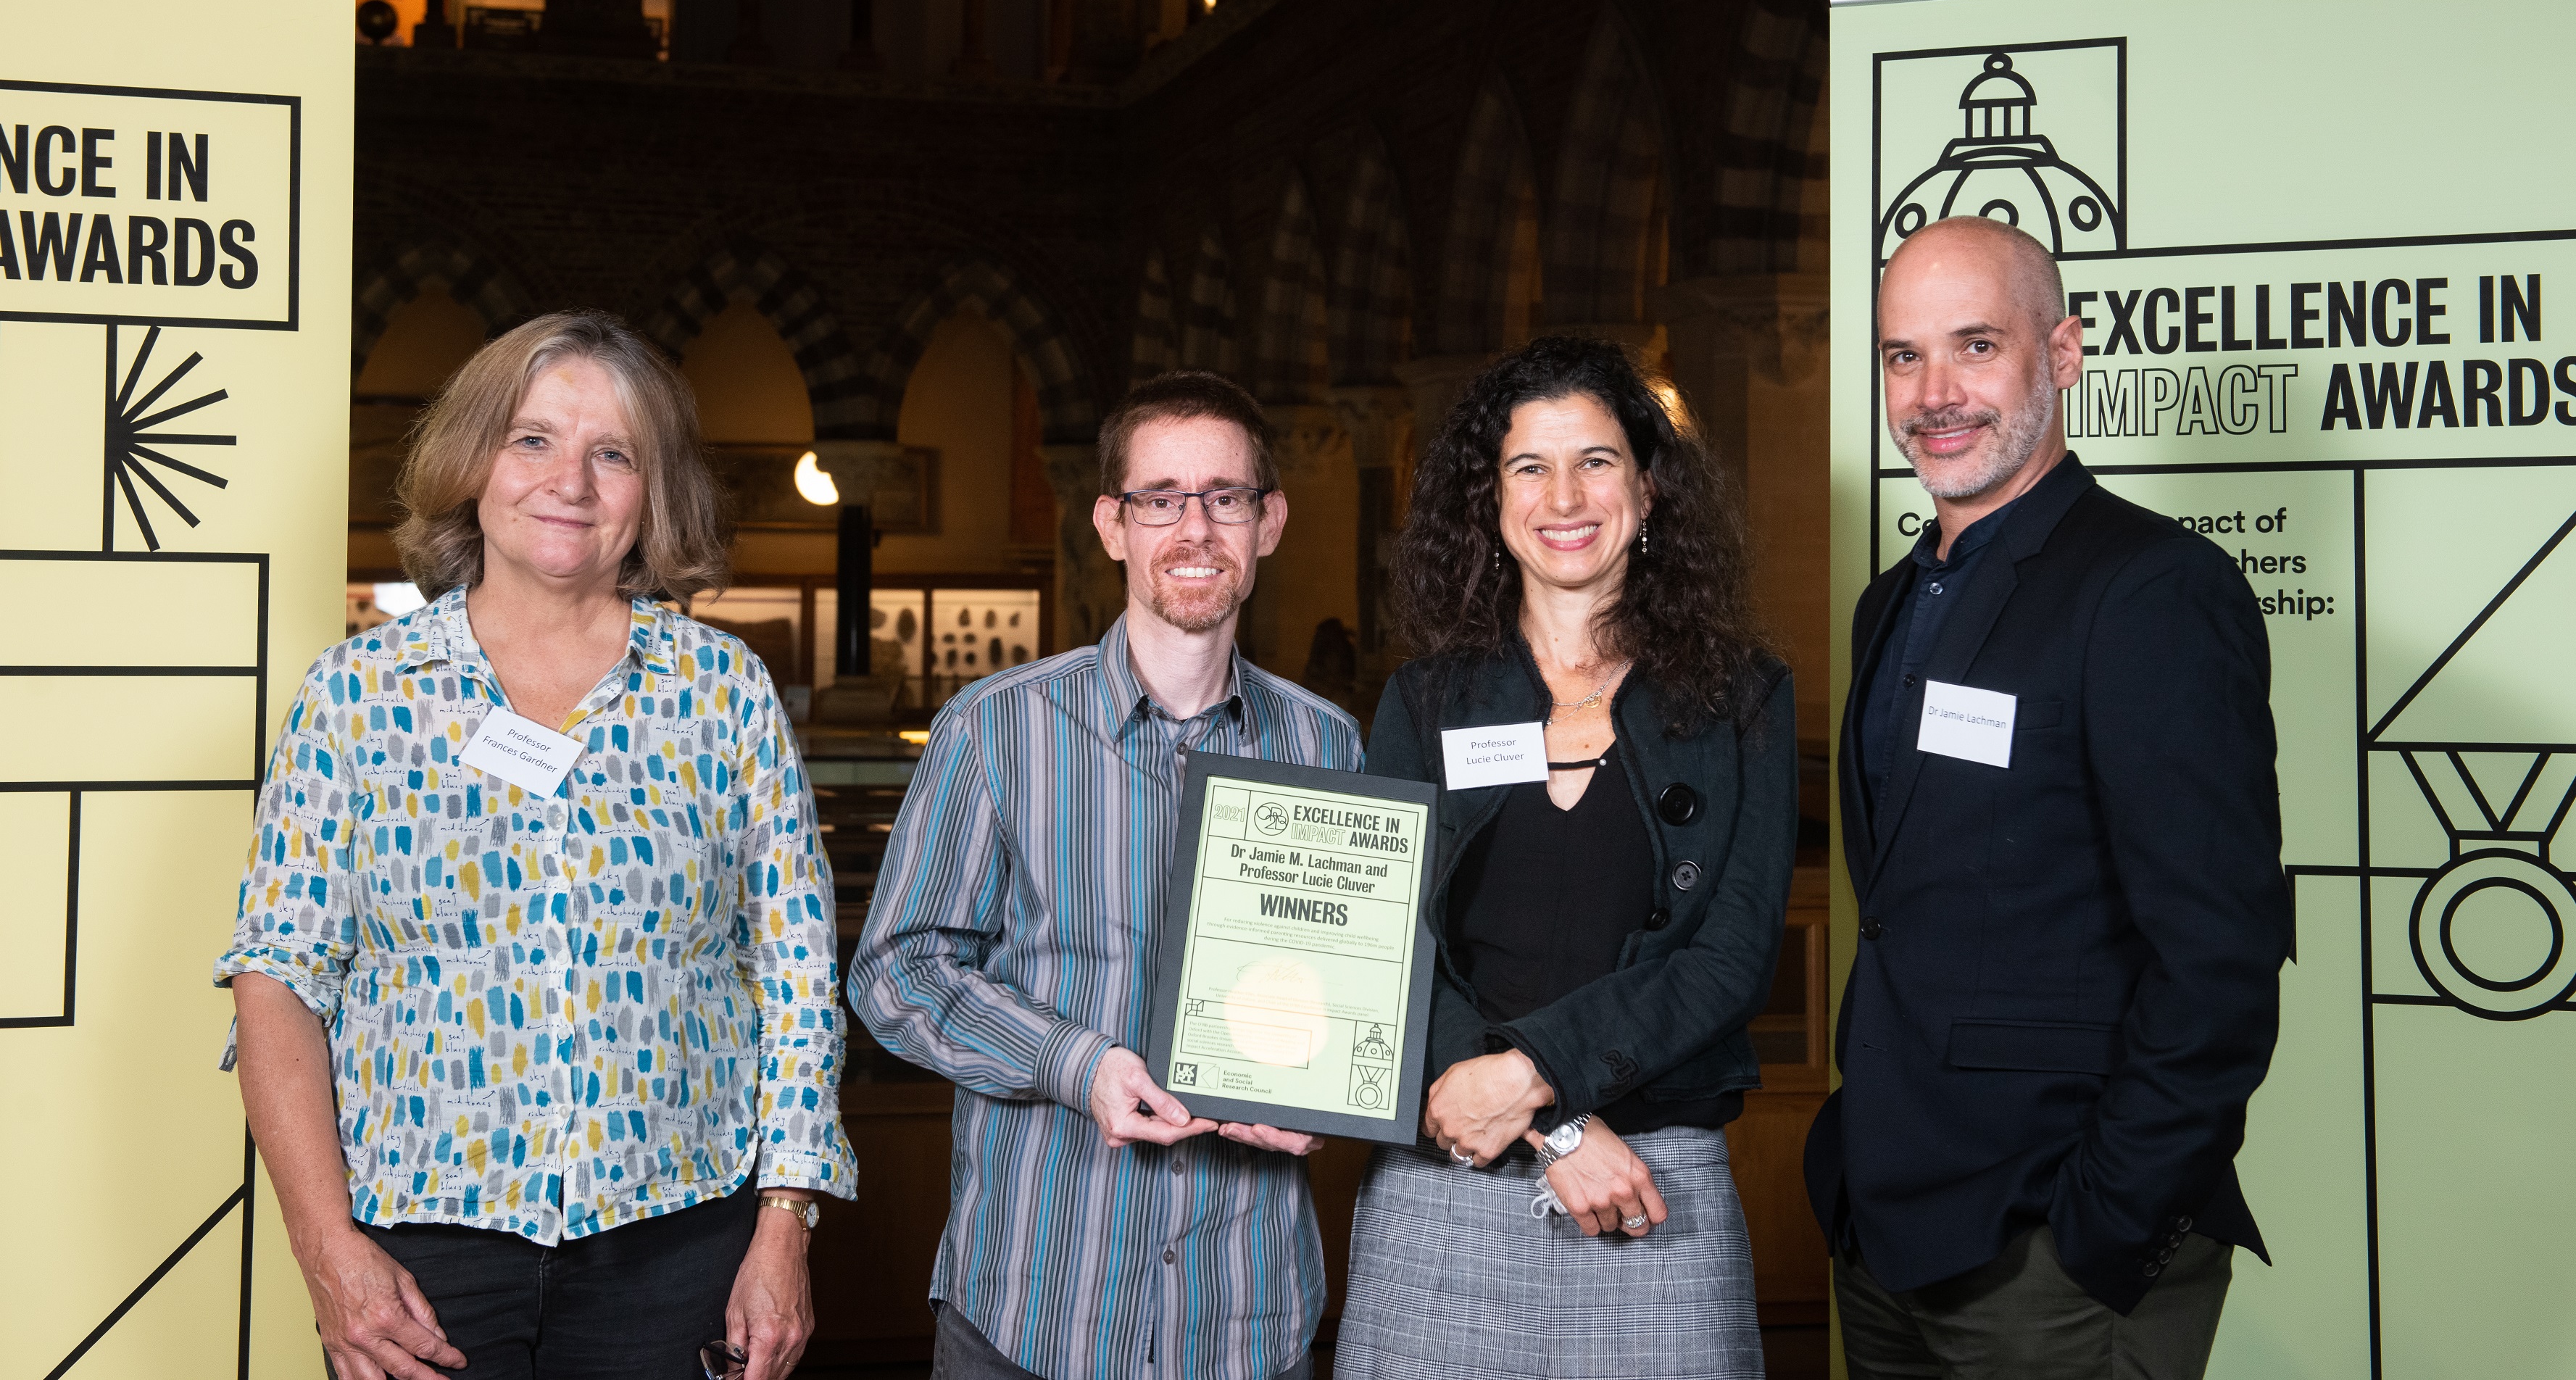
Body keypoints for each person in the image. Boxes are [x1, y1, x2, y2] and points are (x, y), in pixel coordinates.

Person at [216, 312, 853, 1380]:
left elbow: (794, 976)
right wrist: (327, 1249)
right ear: (472, 464)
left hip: (679, 1239)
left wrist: (784, 1226)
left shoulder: (722, 693)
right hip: (420, 1250)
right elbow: (277, 975)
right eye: (532, 440)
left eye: (615, 454)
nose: (573, 480)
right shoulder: (359, 694)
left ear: (652, 492)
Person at [1805, 217, 2290, 1378]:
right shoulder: (1890, 604)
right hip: (1888, 1235)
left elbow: (2218, 958)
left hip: (2049, 1258)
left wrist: (2104, 1225)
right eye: (1901, 355)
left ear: (2063, 354)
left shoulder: (2152, 590)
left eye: (1975, 346)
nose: (1933, 393)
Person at [847, 370, 1360, 1380]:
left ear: (1270, 523)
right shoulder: (995, 729)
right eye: (1159, 499)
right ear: (1111, 526)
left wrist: (1330, 1086)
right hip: (1037, 1302)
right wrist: (1075, 1064)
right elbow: (896, 971)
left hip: (1248, 1307)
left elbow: (1341, 992)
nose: (1194, 527)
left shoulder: (1328, 743)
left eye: (1225, 497)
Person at [1334, 336, 1796, 1380]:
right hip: (1446, 1167)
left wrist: (1542, 1082)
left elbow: (1730, 956)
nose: (1563, 496)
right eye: (1528, 468)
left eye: (1594, 460)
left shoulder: (1744, 697)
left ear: (1647, 485)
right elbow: (1386, 938)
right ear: (1488, 503)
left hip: (1647, 1186)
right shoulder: (1425, 698)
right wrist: (1534, 1125)